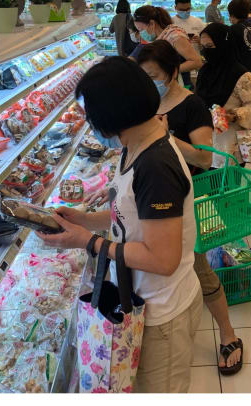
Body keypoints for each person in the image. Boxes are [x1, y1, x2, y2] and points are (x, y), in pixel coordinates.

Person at [37, 56, 202, 393]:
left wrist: (90, 242)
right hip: (140, 299)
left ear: (113, 118)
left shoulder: (156, 166)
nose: (90, 126)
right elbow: (132, 217)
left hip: (163, 313)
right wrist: (85, 220)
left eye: (92, 118)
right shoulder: (134, 146)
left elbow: (163, 259)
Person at [136, 41, 245, 374]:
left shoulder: (192, 105)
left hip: (188, 198)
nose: (148, 82)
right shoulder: (144, 101)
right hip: (151, 196)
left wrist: (166, 135)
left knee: (197, 266)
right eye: (142, 77)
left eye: (153, 75)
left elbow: (205, 157)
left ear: (172, 73)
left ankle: (229, 333)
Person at [195, 23, 251, 167]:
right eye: (203, 47)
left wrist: (234, 115)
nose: (205, 52)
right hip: (204, 145)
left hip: (228, 148)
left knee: (228, 188)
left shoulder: (242, 76)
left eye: (209, 47)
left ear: (223, 45)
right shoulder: (204, 71)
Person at [133, 5, 202, 80]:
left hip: (180, 83)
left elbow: (196, 62)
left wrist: (166, 71)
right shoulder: (157, 38)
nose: (141, 33)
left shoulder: (175, 36)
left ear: (152, 23)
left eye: (141, 29)